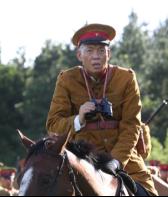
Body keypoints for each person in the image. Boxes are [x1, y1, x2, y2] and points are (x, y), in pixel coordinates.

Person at [46, 23, 158, 196]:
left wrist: (117, 161)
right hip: (81, 160)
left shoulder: (126, 78)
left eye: (101, 50)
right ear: (79, 55)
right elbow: (53, 125)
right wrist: (79, 118)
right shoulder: (66, 80)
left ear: (109, 54)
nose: (96, 56)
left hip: (125, 160)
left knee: (148, 193)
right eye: (89, 51)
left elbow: (132, 125)